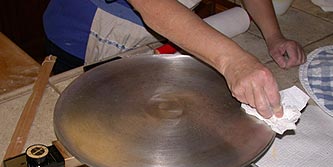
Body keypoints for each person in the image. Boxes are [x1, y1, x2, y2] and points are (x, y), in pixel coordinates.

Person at [43, 0, 306, 119]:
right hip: (83, 36)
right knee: (86, 115)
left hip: (156, 31)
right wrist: (233, 62)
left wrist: (273, 36)